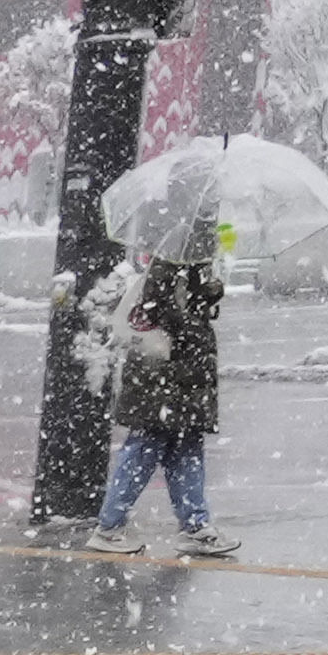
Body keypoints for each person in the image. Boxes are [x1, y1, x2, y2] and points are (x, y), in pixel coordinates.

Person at [85, 223, 232, 551]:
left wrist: (208, 291)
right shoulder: (169, 261)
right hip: (163, 376)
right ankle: (109, 527)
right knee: (146, 447)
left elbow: (186, 306)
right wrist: (192, 324)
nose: (214, 241)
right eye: (209, 235)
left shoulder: (192, 264)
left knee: (186, 448)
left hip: (183, 377)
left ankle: (195, 525)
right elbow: (157, 307)